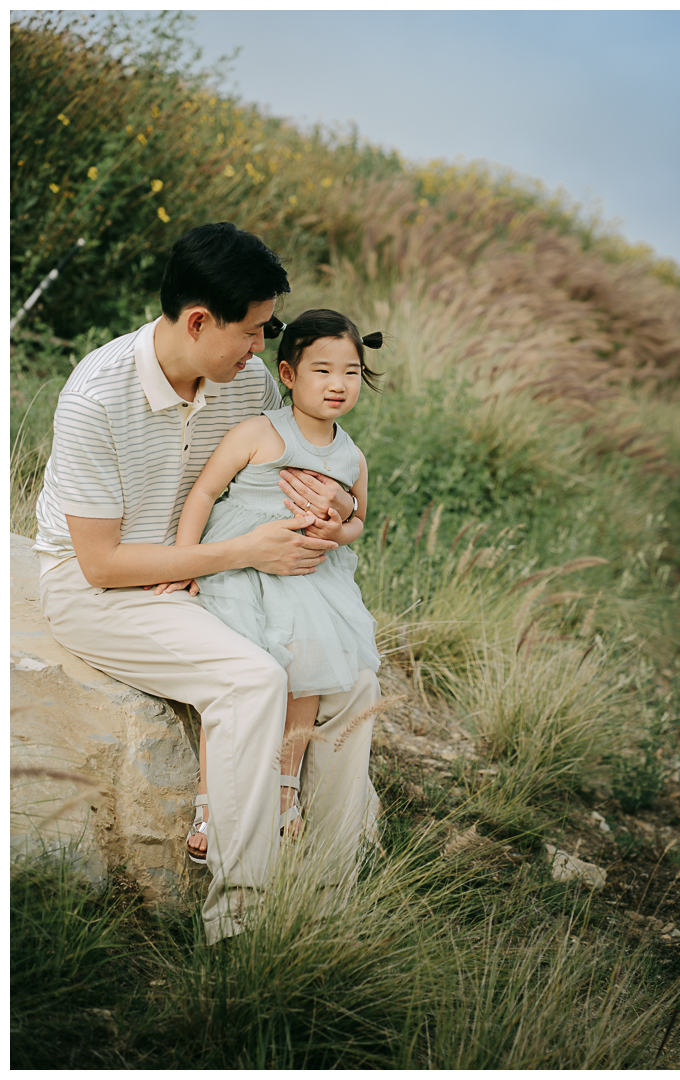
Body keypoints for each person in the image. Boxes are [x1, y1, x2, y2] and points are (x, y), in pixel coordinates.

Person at [33, 223, 381, 944]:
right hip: (105, 589)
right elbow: (101, 563)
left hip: (206, 575)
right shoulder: (96, 397)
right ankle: (239, 924)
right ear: (199, 321)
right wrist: (245, 553)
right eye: (254, 331)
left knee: (355, 680)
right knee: (252, 679)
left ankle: (329, 895)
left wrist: (333, 504)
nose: (263, 347)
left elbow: (298, 465)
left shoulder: (245, 383)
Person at [154, 310, 382, 857]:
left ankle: (284, 794)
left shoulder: (351, 455)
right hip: (241, 574)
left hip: (308, 578)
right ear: (287, 374)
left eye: (350, 372)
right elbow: (206, 493)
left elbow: (358, 522)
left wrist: (338, 524)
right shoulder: (260, 432)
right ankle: (210, 808)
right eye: (322, 370)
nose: (336, 384)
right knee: (244, 680)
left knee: (307, 669)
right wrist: (186, 561)